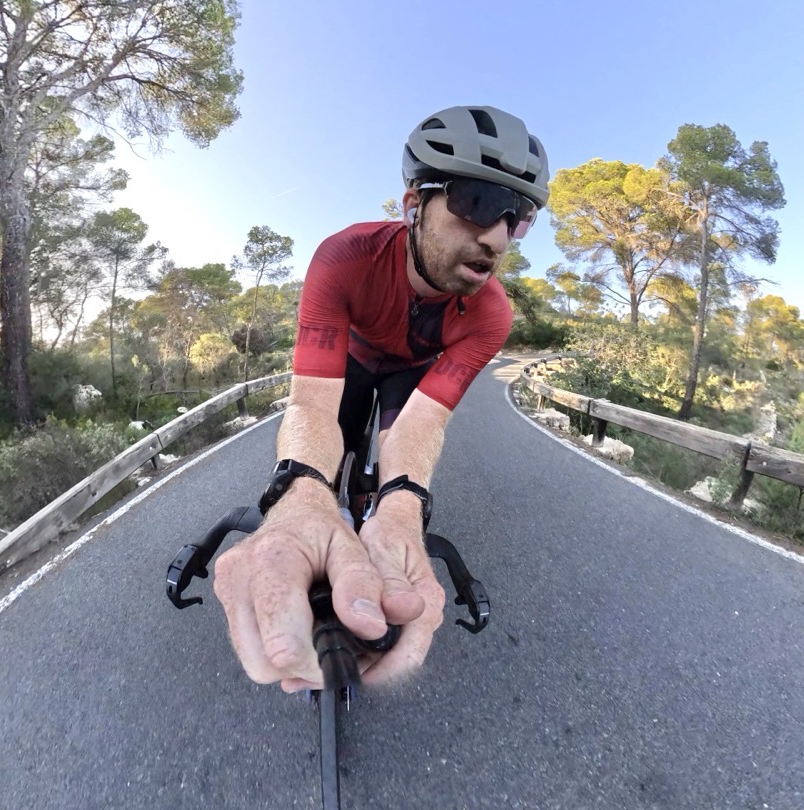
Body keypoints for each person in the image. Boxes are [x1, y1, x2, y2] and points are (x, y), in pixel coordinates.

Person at [211, 104, 550, 692]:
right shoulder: (344, 256)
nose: (496, 236)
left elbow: (422, 423)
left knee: (393, 488)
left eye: (517, 218)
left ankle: (369, 520)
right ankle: (328, 523)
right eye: (476, 202)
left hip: (411, 375)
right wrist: (298, 499)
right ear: (413, 205)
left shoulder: (492, 314)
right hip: (353, 358)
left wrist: (401, 509)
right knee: (322, 463)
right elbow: (311, 405)